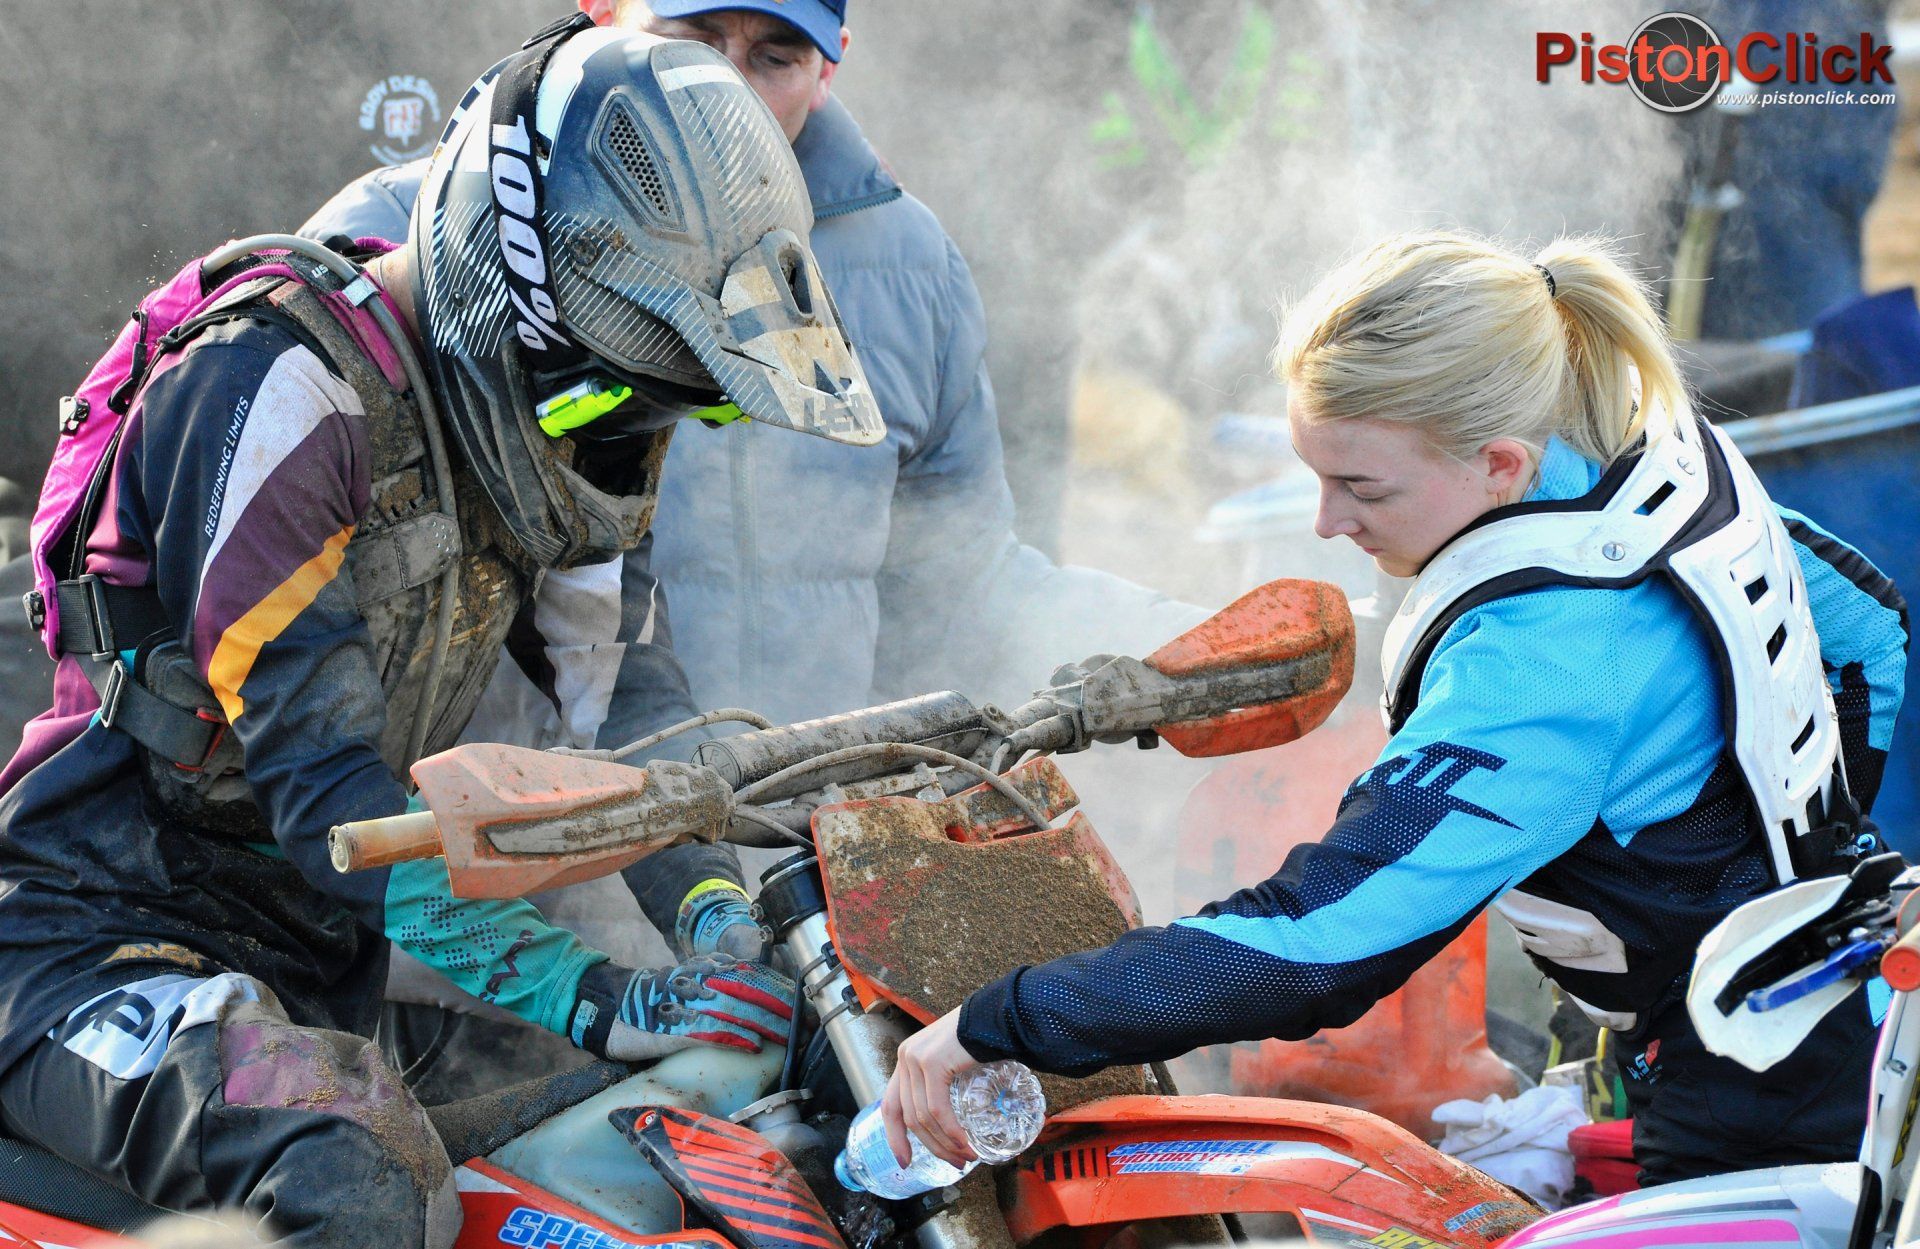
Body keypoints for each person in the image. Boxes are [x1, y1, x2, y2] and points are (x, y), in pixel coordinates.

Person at [0, 23, 881, 1246]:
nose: (622, 432)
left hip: (309, 981)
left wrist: (727, 921)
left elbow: (630, 719)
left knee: (678, 1127)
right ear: (516, 289)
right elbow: (336, 808)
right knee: (355, 1171)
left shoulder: (544, 442)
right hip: (94, 951)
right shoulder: (280, 391)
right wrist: (596, 990)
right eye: (613, 386)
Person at [883, 230, 1911, 1186]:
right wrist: (1800, 851)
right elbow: (1871, 623)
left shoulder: (1541, 672)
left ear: (1496, 462)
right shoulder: (1636, 466)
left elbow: (1319, 942)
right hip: (1836, 992)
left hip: (1756, 1090)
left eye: (1361, 487)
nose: (1329, 522)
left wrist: (998, 1020)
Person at [303, 0, 1208, 1020]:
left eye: (775, 55)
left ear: (831, 68)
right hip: (490, 941)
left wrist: (1177, 640)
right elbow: (304, 669)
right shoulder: (432, 241)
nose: (730, 84)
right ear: (607, 18)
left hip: (795, 913)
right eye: (692, 46)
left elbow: (960, 587)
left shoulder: (907, 267)